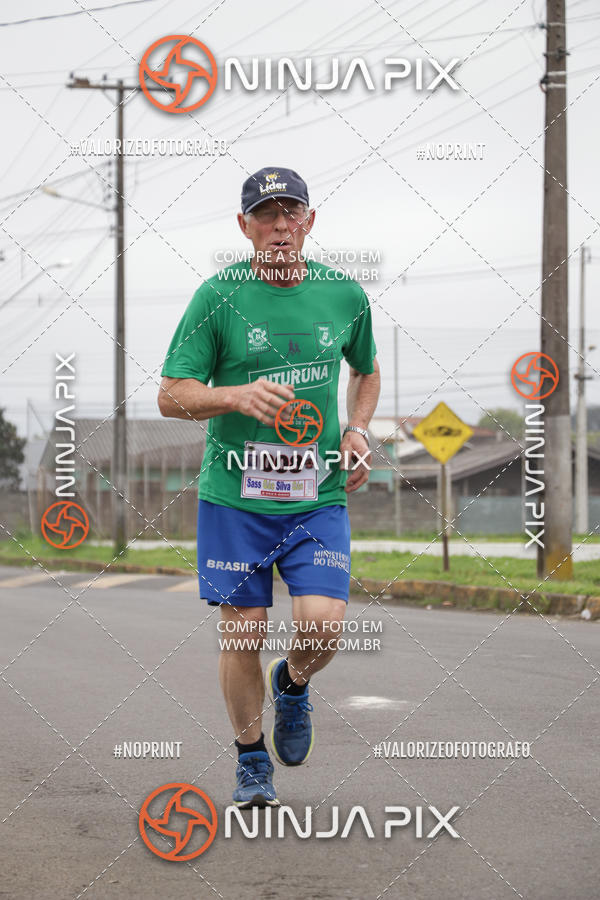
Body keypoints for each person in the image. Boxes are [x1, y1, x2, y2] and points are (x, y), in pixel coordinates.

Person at [158, 166, 380, 808]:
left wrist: (358, 431)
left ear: (310, 221)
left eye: (291, 214)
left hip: (317, 493)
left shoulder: (344, 294)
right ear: (244, 226)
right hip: (235, 499)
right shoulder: (216, 296)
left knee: (321, 627)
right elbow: (173, 395)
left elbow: (365, 371)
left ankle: (293, 682)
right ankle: (252, 759)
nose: (279, 227)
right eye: (266, 216)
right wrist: (234, 395)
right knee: (243, 632)